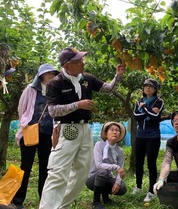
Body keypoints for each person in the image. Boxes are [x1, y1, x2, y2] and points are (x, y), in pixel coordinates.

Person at [39, 47, 126, 209]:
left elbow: (109, 89)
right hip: (65, 130)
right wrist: (78, 105)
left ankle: (62, 206)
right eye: (78, 61)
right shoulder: (55, 83)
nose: (82, 64)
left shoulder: (87, 78)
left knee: (82, 172)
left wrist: (118, 77)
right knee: (58, 173)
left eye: (82, 60)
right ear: (67, 66)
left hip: (84, 129)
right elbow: (52, 111)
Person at [11, 63, 59, 209]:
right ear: (41, 75)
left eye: (53, 73)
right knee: (25, 166)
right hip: (30, 133)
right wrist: (26, 123)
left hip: (48, 134)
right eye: (48, 73)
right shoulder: (30, 90)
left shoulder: (56, 92)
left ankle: (44, 200)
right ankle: (18, 200)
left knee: (46, 167)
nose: (51, 75)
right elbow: (22, 108)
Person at [132, 78, 164, 203]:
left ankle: (151, 191)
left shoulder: (159, 101)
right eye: (146, 86)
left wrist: (144, 108)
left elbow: (155, 116)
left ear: (155, 89)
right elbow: (136, 116)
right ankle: (138, 187)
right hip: (140, 135)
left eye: (151, 86)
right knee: (139, 162)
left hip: (153, 135)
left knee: (151, 163)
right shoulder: (138, 101)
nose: (148, 88)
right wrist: (148, 111)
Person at [86, 122, 127, 209]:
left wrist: (117, 182)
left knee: (122, 188)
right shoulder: (99, 145)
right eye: (112, 130)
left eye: (117, 130)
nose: (115, 132)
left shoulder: (119, 151)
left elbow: (121, 168)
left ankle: (105, 198)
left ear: (120, 135)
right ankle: (96, 201)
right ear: (106, 133)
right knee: (103, 172)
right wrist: (116, 167)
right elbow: (99, 165)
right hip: (92, 179)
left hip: (107, 177)